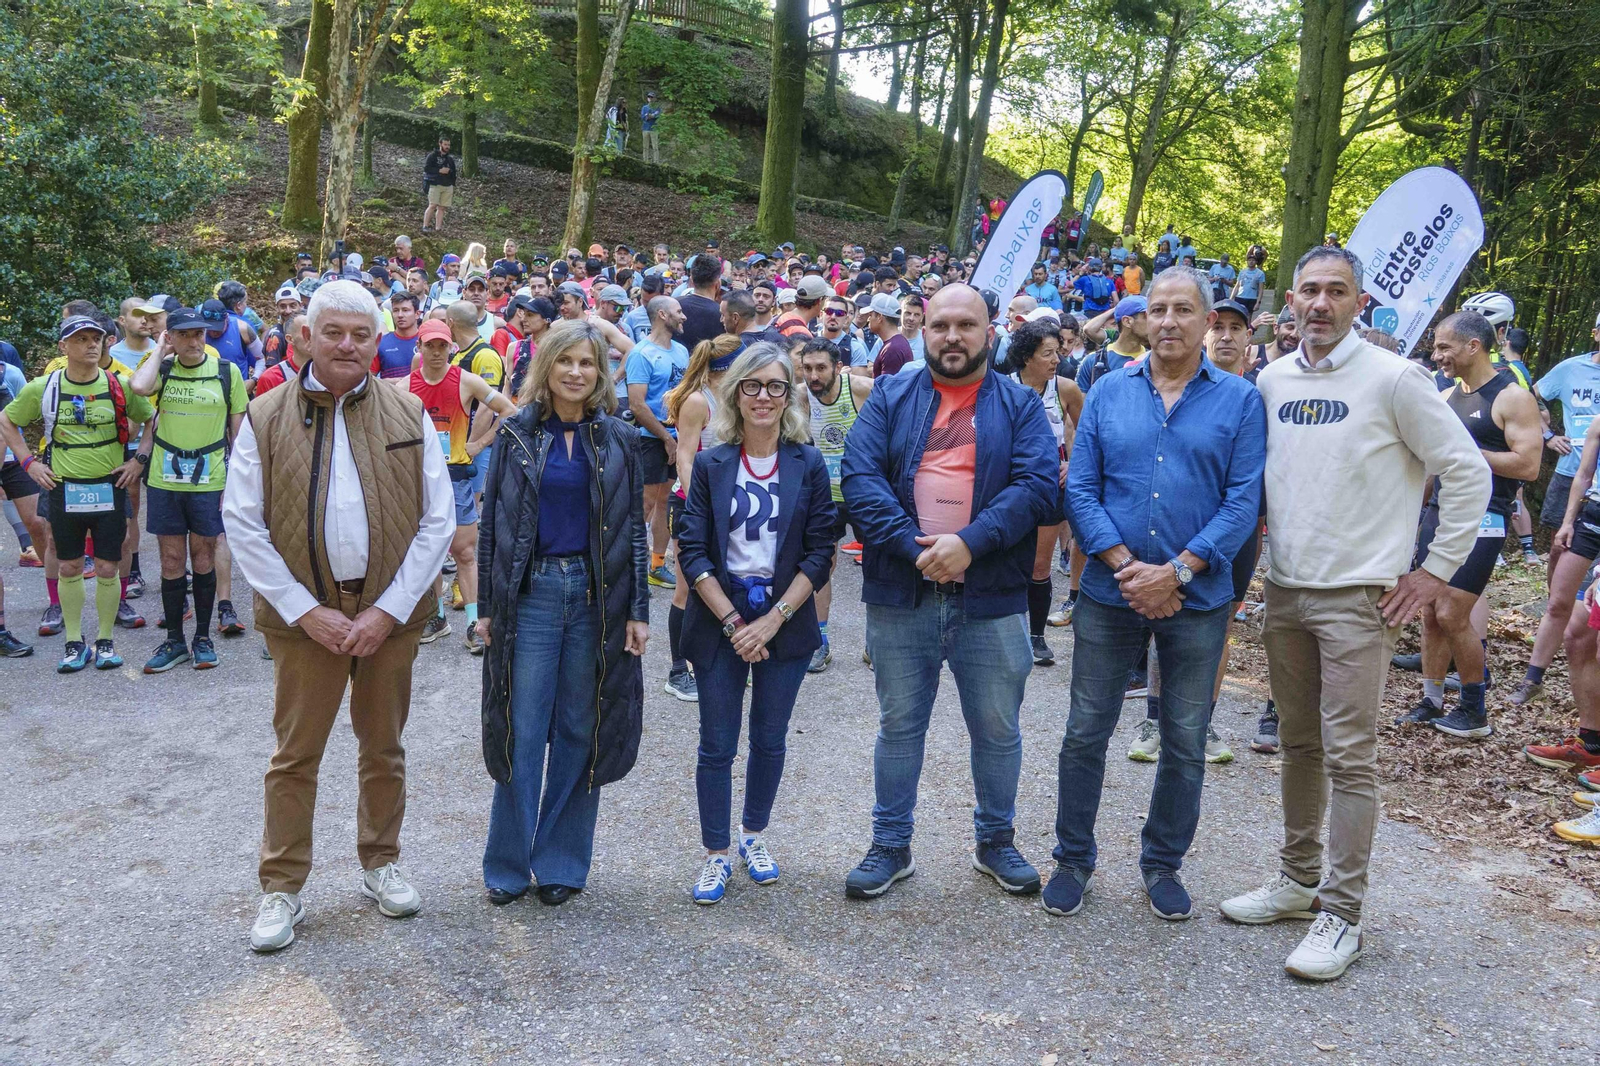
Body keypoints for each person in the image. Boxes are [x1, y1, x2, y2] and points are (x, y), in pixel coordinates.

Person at [1222, 247, 1491, 982]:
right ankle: (1298, 881)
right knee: (1299, 745)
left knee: (1351, 756)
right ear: (1290, 297)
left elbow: (1466, 470)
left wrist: (1436, 572)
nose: (1320, 303)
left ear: (1358, 302)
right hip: (1286, 590)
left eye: (1336, 291)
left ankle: (1343, 915)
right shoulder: (1270, 380)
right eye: (1309, 290)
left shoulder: (1396, 379)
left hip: (1359, 598)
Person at [223, 280, 454, 953]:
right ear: (307, 337)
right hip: (304, 623)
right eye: (335, 333)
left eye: (360, 334)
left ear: (377, 340)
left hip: (391, 618)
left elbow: (438, 521)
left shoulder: (409, 411)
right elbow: (242, 523)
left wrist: (386, 610)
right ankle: (282, 886)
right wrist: (305, 612)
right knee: (295, 755)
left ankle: (380, 865)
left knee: (383, 748)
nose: (347, 345)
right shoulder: (264, 417)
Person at [1048, 268, 1266, 922]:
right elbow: (1080, 489)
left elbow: (1243, 500)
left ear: (1207, 323)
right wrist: (1124, 564)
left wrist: (1177, 571)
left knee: (1184, 735)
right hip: (1110, 593)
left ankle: (1162, 862)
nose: (1168, 320)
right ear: (1142, 319)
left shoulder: (1241, 401)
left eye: (1183, 310)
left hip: (1196, 601)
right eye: (1157, 309)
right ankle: (1073, 858)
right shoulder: (1108, 391)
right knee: (1086, 729)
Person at [839, 284, 1058, 900]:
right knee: (899, 725)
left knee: (996, 728)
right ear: (923, 331)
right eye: (940, 326)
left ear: (990, 331)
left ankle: (995, 841)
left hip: (989, 593)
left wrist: (970, 543)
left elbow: (1038, 486)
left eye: (967, 325)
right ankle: (890, 844)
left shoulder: (1018, 405)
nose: (953, 337)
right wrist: (915, 548)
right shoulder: (890, 395)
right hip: (902, 590)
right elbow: (859, 478)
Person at [477, 319, 649, 906]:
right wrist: (485, 608)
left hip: (598, 597)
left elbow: (634, 533)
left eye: (588, 363)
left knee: (583, 727)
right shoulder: (516, 435)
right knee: (522, 729)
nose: (576, 372)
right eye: (565, 361)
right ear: (545, 367)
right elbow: (493, 530)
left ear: (601, 373)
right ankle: (508, 862)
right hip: (534, 596)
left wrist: (639, 609)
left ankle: (560, 862)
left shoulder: (619, 438)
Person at [677, 342, 836, 904]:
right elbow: (691, 549)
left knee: (769, 739)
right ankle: (716, 852)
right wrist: (732, 621)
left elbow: (820, 551)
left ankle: (754, 836)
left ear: (789, 394)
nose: (763, 397)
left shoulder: (808, 461)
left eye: (775, 386)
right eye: (752, 385)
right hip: (720, 614)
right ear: (735, 392)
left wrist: (771, 622)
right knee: (717, 742)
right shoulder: (713, 462)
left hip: (784, 618)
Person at [1397, 312, 1541, 738]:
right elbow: (1428, 465)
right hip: (1441, 511)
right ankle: (1431, 699)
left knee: (1451, 611)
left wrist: (1468, 453)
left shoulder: (1511, 397)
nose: (1437, 355)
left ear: (1473, 346)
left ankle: (1475, 709)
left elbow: (1529, 465)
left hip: (1486, 515)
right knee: (1429, 612)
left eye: (1445, 347)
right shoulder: (1445, 397)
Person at [0, 316, 151, 673]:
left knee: (107, 566)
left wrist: (139, 461)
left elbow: (151, 419)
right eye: (80, 339)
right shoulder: (44, 387)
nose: (91, 345)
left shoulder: (121, 385)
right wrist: (28, 464)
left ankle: (104, 640)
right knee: (68, 564)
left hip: (109, 487)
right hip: (64, 487)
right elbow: (7, 420)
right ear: (63, 347)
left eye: (95, 338)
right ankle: (73, 642)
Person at [128, 308, 248, 672]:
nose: (194, 341)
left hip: (209, 479)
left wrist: (236, 485)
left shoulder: (227, 372)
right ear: (171, 337)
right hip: (165, 479)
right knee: (170, 560)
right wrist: (160, 350)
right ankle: (175, 641)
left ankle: (203, 637)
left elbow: (240, 437)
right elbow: (138, 387)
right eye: (184, 334)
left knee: (204, 557)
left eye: (199, 334)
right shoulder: (163, 369)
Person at [412, 317, 517, 652]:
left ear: (451, 347)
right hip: (423, 481)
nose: (437, 351)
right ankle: (437, 616)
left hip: (456, 478)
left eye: (442, 344)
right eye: (430, 345)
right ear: (420, 347)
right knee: (428, 553)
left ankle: (474, 623)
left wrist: (479, 443)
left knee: (465, 552)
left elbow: (509, 411)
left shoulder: (465, 380)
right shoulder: (405, 388)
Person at [1511, 312, 1600, 706]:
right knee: (1558, 572)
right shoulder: (1572, 368)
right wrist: (1548, 435)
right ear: (1595, 332)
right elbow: (1531, 394)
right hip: (1575, 477)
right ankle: (1536, 675)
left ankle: (1583, 655)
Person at [662, 334, 742, 701]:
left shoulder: (734, 397)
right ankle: (678, 671)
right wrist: (703, 505)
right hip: (692, 504)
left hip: (731, 504)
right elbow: (685, 457)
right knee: (686, 588)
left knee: (725, 585)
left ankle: (721, 661)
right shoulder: (698, 400)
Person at [1002, 319, 1081, 667]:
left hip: (1050, 487)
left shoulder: (1065, 389)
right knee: (1005, 559)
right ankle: (1003, 632)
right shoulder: (1002, 387)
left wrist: (1074, 464)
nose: (1055, 359)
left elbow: (1093, 430)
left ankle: (1036, 636)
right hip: (1009, 487)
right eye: (1047, 353)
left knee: (1039, 565)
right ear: (1026, 357)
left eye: (1058, 352)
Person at [800, 336, 873, 672]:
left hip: (862, 494)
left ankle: (876, 641)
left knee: (878, 567)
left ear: (838, 368)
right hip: (824, 497)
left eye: (820, 368)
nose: (813, 376)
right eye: (808, 368)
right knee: (819, 566)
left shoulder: (860, 388)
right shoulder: (802, 396)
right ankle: (819, 639)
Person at [628, 296, 691, 588]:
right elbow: (638, 405)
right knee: (644, 504)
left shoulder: (680, 351)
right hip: (650, 439)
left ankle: (656, 564)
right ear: (663, 314)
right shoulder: (641, 354)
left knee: (666, 501)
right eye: (679, 312)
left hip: (676, 438)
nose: (684, 317)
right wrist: (665, 437)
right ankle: (631, 569)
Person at [373, 292, 421, 380]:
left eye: (405, 310)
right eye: (395, 310)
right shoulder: (381, 343)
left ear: (417, 314)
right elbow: (369, 382)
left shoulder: (427, 341)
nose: (400, 315)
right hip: (390, 393)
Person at [867, 294, 910, 377]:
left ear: (879, 317)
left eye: (870, 315)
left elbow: (887, 388)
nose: (868, 319)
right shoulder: (896, 343)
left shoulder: (893, 348)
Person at [422, 135, 457, 232]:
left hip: (447, 186)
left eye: (448, 145)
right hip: (435, 184)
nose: (447, 147)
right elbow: (427, 169)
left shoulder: (450, 159)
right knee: (432, 205)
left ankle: (438, 228)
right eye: (445, 144)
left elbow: (454, 172)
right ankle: (425, 226)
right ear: (440, 144)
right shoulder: (432, 156)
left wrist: (450, 175)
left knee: (442, 208)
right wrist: (439, 170)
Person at [640, 91, 663, 163]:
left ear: (655, 99)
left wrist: (652, 116)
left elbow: (658, 115)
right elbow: (642, 117)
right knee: (645, 146)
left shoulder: (657, 107)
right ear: (647, 98)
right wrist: (648, 116)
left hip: (654, 128)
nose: (650, 99)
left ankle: (656, 161)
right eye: (649, 97)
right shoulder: (644, 107)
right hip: (645, 128)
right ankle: (645, 160)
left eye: (652, 97)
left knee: (655, 146)